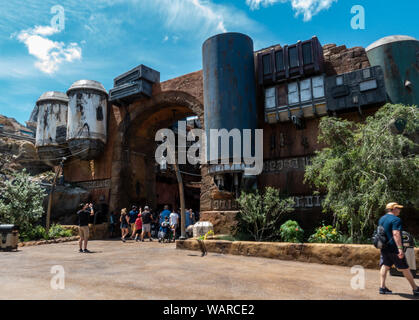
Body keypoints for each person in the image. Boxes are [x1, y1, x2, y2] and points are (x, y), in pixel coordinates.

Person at [378, 202, 418, 296]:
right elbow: (396, 234)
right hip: (394, 248)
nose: (399, 210)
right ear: (392, 209)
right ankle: (415, 289)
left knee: (385, 265)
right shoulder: (396, 219)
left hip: (384, 247)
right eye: (398, 208)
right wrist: (400, 248)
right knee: (405, 268)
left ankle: (382, 287)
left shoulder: (382, 219)